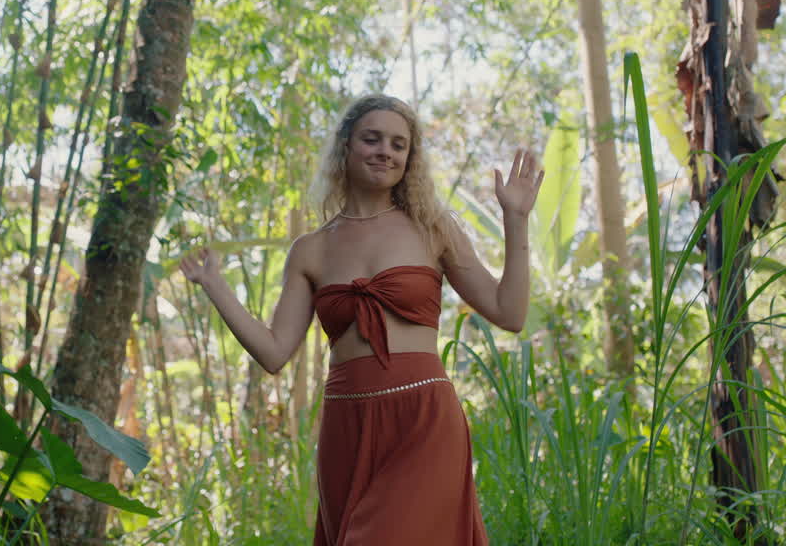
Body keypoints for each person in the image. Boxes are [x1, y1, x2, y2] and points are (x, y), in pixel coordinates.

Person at [179, 94, 543, 545]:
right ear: (346, 146)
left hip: (423, 419)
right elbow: (274, 352)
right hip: (346, 426)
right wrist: (215, 286)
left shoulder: (433, 228)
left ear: (409, 159)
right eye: (372, 139)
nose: (385, 152)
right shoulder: (310, 249)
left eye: (398, 144)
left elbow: (509, 312)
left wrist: (516, 220)